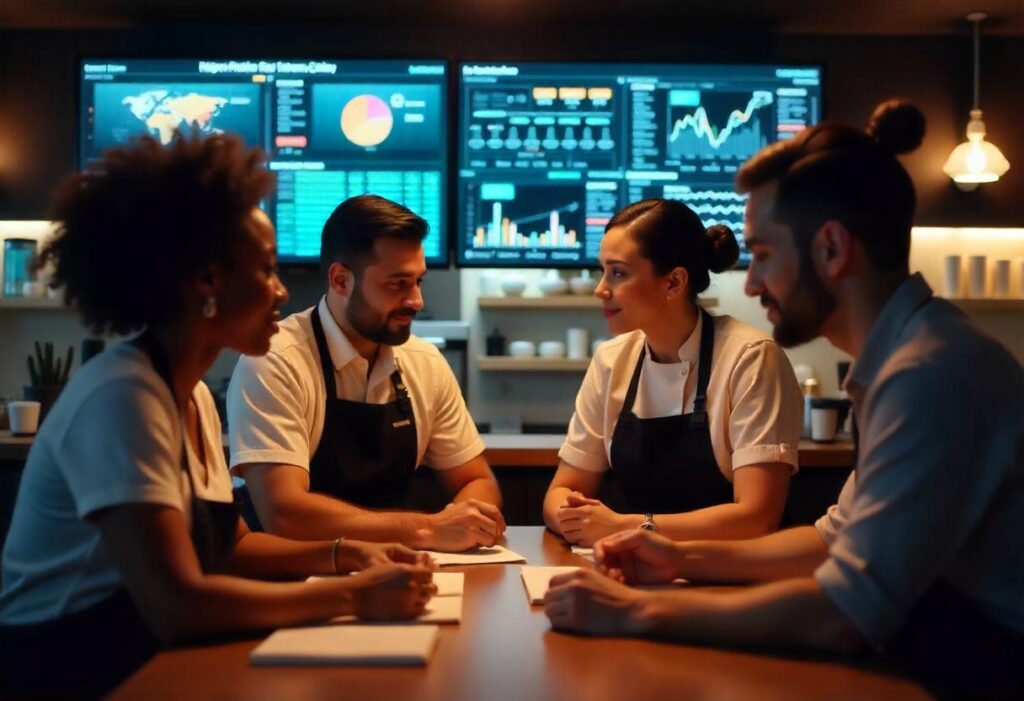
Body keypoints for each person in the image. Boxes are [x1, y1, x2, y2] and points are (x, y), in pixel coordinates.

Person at [543, 101, 1024, 700]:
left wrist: (633, 613)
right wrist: (676, 557)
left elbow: (843, 613)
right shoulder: (908, 356)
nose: (748, 283)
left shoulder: (931, 375)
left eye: (763, 255)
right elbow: (829, 540)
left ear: (830, 249)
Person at [0, 135, 436, 700]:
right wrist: (353, 594)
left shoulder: (192, 395)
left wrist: (344, 555)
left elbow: (231, 546)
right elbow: (178, 604)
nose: (280, 292)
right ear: (206, 281)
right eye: (265, 269)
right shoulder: (122, 397)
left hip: (145, 658)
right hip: (74, 672)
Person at [228, 194, 504, 552]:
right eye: (397, 284)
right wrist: (426, 528)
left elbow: (477, 480)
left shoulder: (425, 363)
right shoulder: (276, 360)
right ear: (341, 280)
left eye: (418, 282)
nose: (416, 301)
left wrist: (466, 519)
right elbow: (285, 514)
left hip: (394, 575)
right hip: (292, 580)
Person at [542, 198, 802, 546]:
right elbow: (561, 490)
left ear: (674, 283)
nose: (600, 289)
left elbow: (757, 517)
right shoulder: (611, 360)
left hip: (735, 578)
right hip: (641, 568)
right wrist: (572, 513)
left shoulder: (751, 358)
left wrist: (626, 527)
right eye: (602, 271)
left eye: (618, 272)